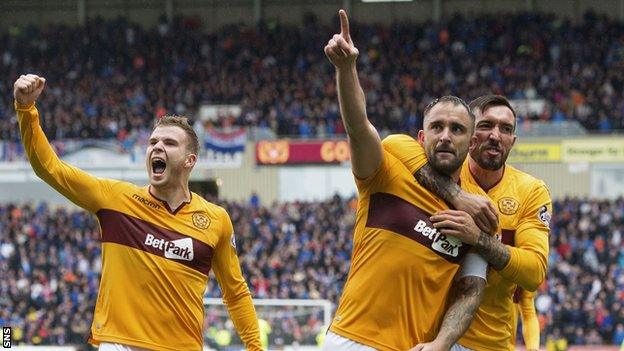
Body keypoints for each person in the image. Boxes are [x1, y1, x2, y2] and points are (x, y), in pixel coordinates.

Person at [13, 74, 262, 351]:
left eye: (169, 143)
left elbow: (236, 293)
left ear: (190, 161)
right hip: (121, 344)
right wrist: (26, 109)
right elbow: (50, 168)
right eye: (153, 142)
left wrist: (256, 348)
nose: (157, 147)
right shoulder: (115, 199)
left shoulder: (216, 219)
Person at [322, 10, 498, 351]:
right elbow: (359, 127)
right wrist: (346, 70)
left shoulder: (480, 214)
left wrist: (441, 343)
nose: (445, 136)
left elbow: (470, 291)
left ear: (472, 141)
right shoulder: (388, 169)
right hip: (350, 341)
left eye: (457, 129)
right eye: (437, 127)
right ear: (421, 136)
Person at [383, 94, 551, 351]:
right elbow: (393, 144)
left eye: (505, 129)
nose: (496, 135)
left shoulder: (530, 191)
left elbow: (534, 273)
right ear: (469, 134)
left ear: (512, 141)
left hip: (489, 343)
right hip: (429, 336)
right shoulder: (443, 171)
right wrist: (457, 195)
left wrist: (479, 239)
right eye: (486, 126)